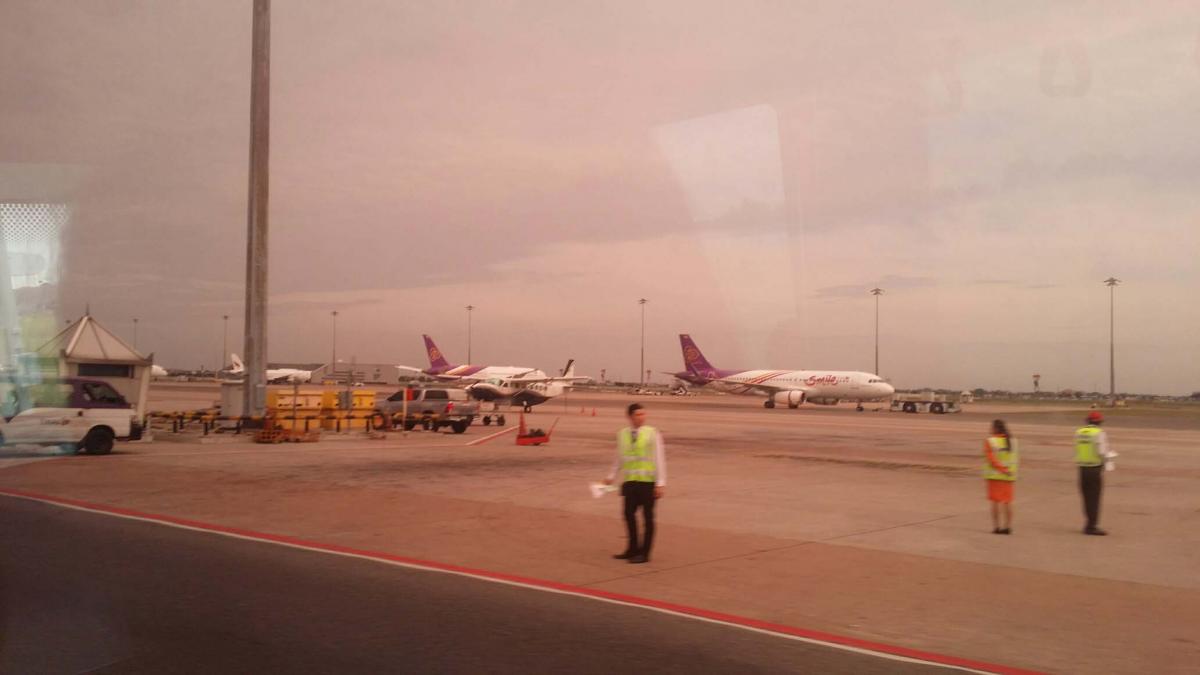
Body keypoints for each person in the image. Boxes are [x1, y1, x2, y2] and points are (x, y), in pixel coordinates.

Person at [603, 403, 666, 564]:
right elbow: (619, 457)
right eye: (638, 414)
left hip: (647, 483)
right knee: (628, 515)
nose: (642, 417)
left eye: (643, 414)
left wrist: (660, 483)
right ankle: (632, 549)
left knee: (648, 519)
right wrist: (611, 476)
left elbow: (659, 458)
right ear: (630, 416)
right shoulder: (622, 434)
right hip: (630, 482)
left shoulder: (652, 433)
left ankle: (644, 553)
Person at [1075, 411, 1114, 535]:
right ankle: (1092, 526)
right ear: (1099, 422)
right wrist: (1108, 461)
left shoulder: (1079, 432)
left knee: (1086, 498)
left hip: (1082, 468)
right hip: (1094, 468)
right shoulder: (1099, 433)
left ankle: (1088, 523)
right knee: (1094, 498)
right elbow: (1102, 452)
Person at [982, 419, 1018, 534]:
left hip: (995, 476)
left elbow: (992, 460)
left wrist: (1002, 470)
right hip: (1009, 476)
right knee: (1007, 502)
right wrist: (1008, 471)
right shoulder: (1013, 441)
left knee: (995, 502)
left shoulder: (990, 441)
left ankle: (996, 527)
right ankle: (1007, 527)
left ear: (995, 429)